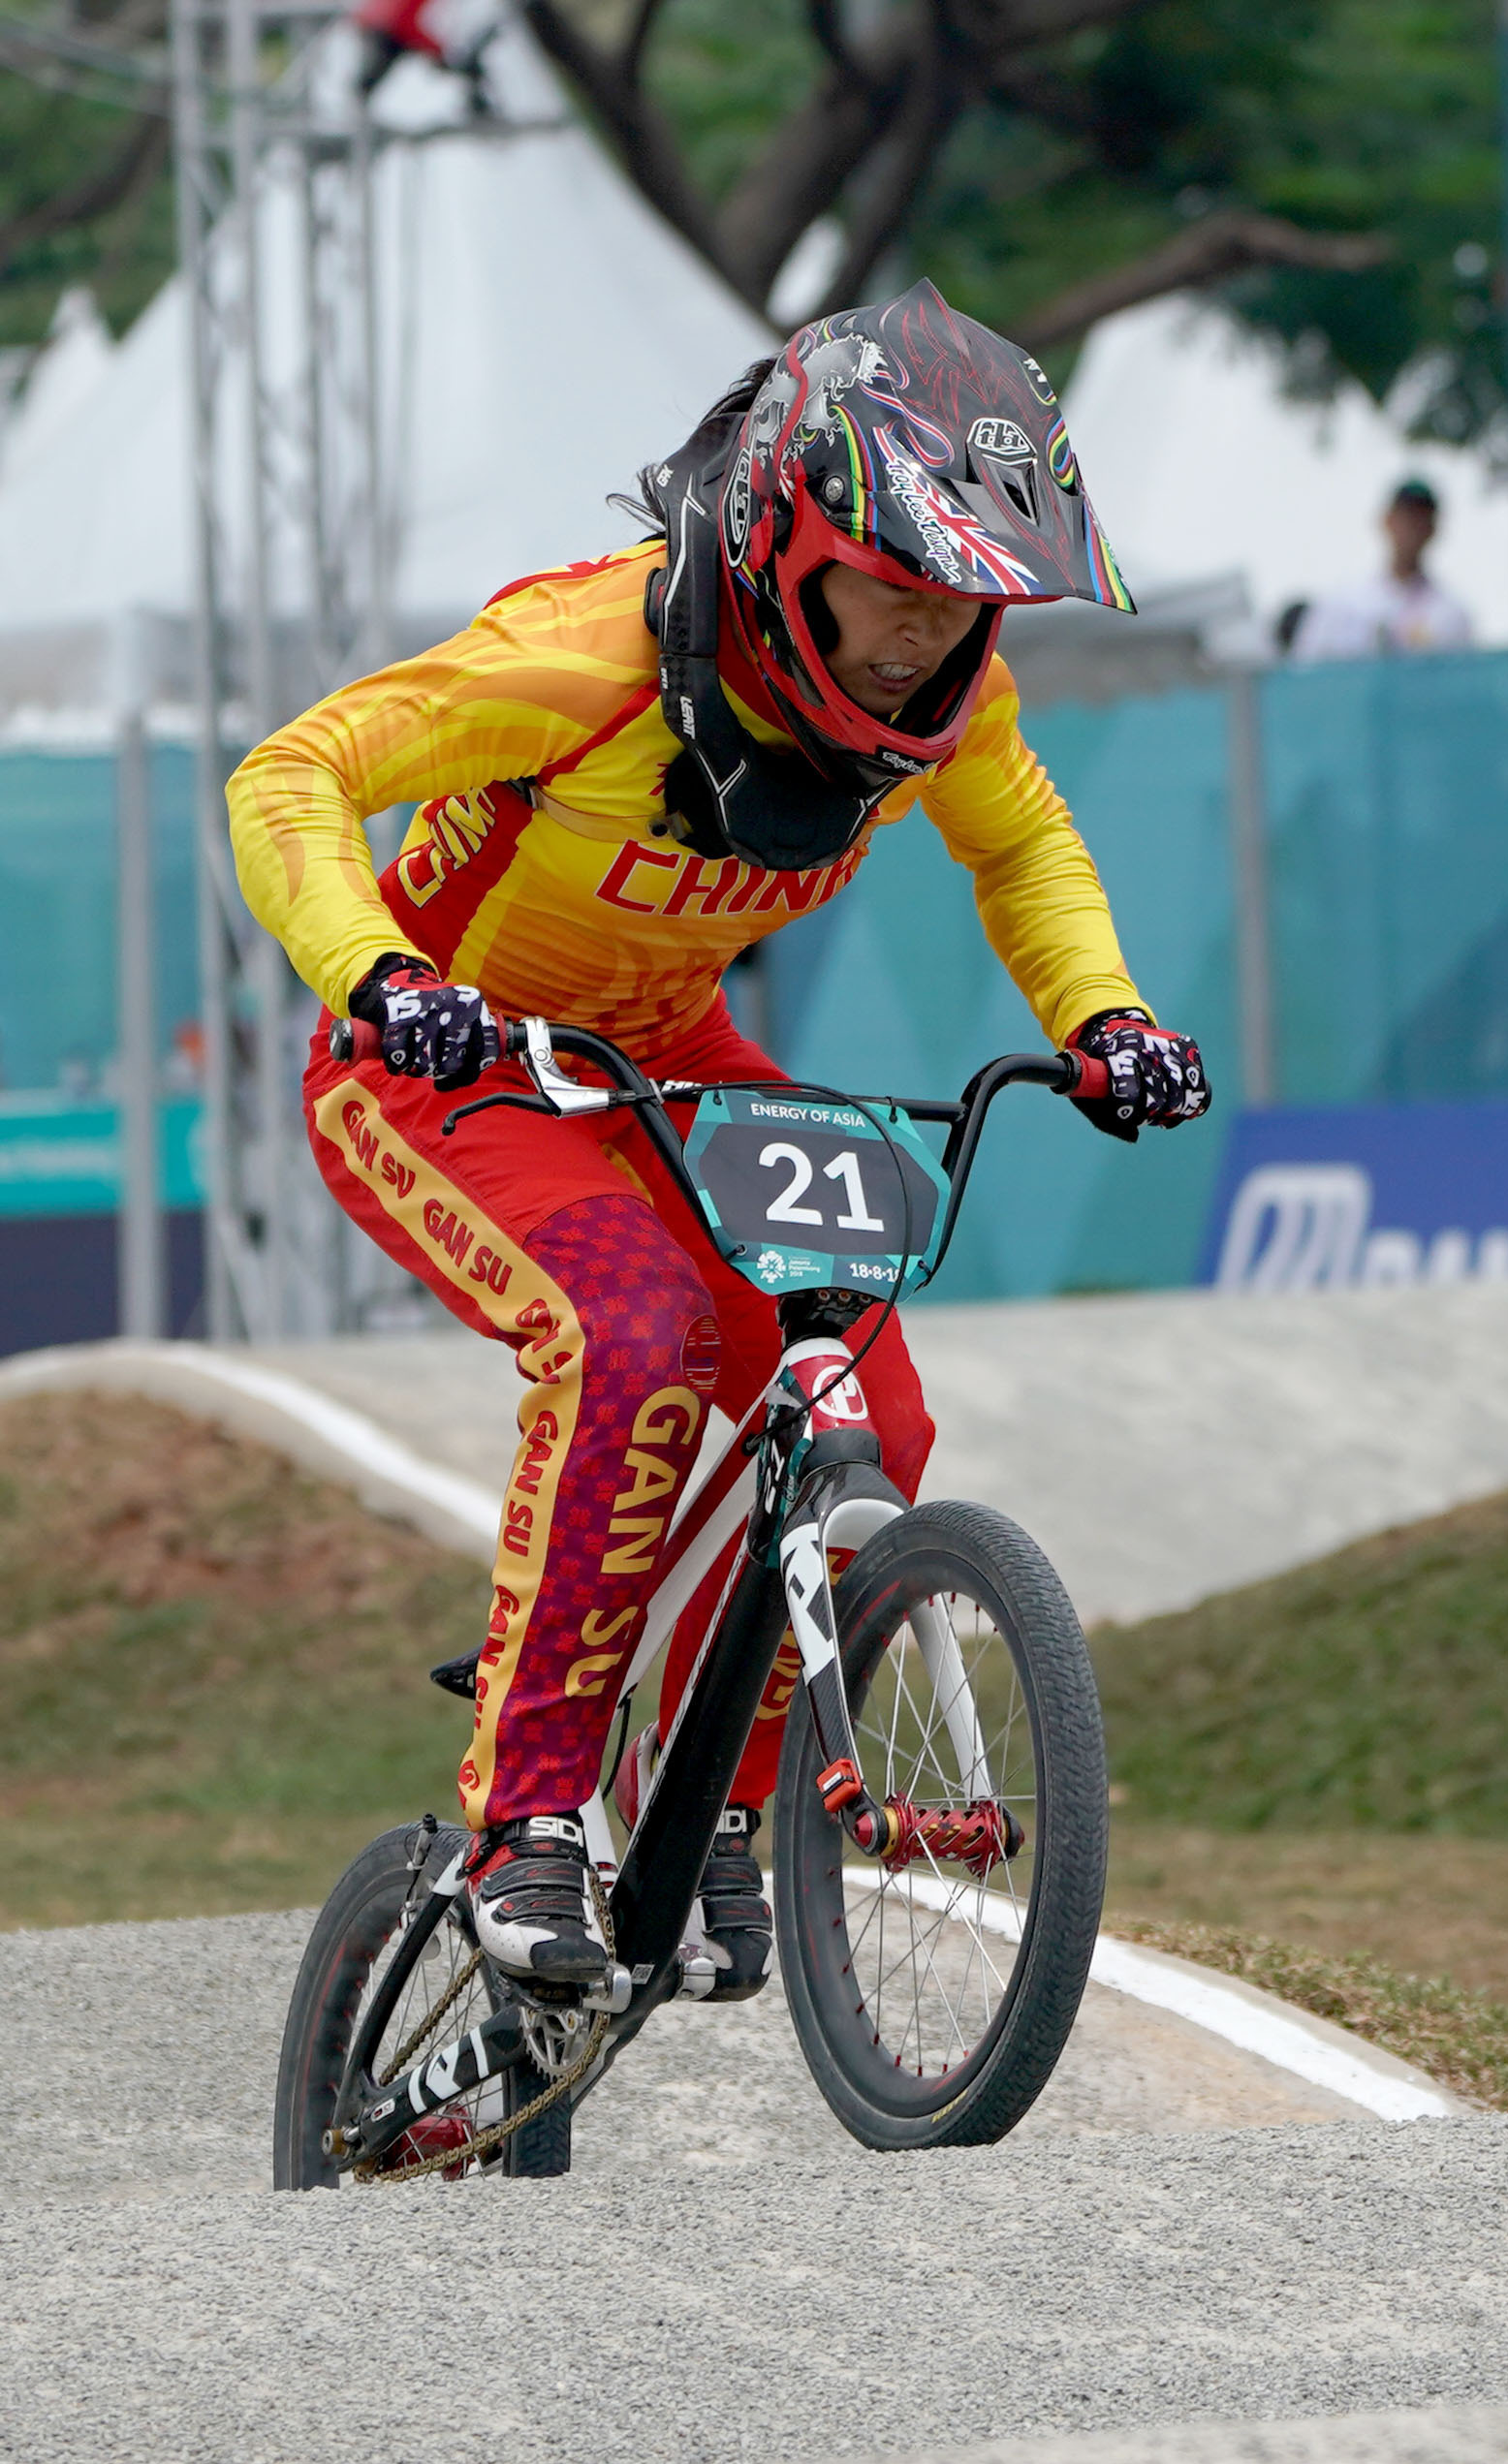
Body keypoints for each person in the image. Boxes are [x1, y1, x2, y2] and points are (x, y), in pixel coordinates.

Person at [230, 283, 1210, 1996]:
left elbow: (1022, 849)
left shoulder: (949, 701)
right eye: (893, 591)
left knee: (866, 1406)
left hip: (663, 1054)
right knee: (633, 1337)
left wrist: (1102, 1017)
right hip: (435, 1066)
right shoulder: (582, 659)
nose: (924, 640)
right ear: (779, 539)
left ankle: (708, 1815)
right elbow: (291, 773)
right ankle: (521, 1820)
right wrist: (375, 976)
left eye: (964, 603)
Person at [1295, 478, 1475, 659]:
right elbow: (1305, 668)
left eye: (1421, 520)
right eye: (1406, 518)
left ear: (1433, 529)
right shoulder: (1342, 601)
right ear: (1387, 521)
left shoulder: (1449, 613)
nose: (1412, 529)